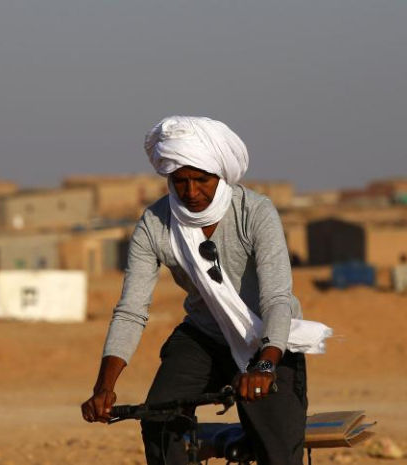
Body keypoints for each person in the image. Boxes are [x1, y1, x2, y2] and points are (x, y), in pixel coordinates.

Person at [81, 116, 331, 465]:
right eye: (180, 181)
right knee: (160, 424)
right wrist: (104, 387)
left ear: (220, 175)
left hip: (267, 339)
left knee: (278, 450)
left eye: (202, 180)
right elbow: (131, 311)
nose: (191, 192)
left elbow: (276, 298)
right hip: (204, 336)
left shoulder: (255, 212)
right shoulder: (154, 224)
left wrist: (264, 365)